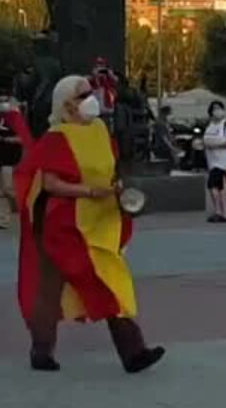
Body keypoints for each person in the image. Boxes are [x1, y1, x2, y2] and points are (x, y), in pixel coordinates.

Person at [16, 75, 165, 375]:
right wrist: (89, 191)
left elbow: (109, 171)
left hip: (97, 221)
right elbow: (50, 183)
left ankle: (132, 352)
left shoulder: (100, 131)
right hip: (62, 225)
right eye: (83, 94)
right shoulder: (56, 137)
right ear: (67, 103)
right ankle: (44, 350)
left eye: (90, 93)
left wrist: (117, 189)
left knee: (106, 278)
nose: (91, 98)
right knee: (55, 287)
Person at [0, 97, 28, 230]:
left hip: (9, 158)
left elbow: (22, 139)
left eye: (5, 101)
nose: (2, 104)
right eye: (0, 101)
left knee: (9, 188)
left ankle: (27, 212)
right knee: (0, 190)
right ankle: (3, 219)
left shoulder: (16, 120)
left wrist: (3, 139)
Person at [202, 101, 226, 223]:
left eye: (219, 108)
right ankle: (225, 212)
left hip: (223, 160)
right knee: (220, 187)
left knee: (212, 184)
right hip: (212, 160)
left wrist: (218, 146)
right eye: (214, 108)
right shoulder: (210, 126)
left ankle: (218, 211)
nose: (217, 111)